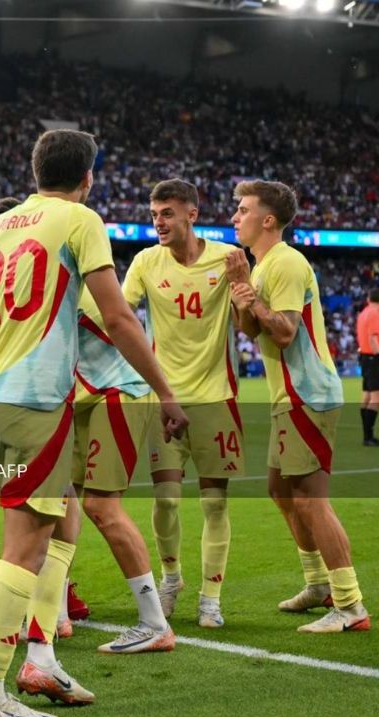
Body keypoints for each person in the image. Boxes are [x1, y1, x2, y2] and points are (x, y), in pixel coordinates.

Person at [0, 130, 187, 717]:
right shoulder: (80, 220)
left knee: (59, 521)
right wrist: (165, 391)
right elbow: (119, 317)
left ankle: (43, 659)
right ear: (89, 177)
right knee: (24, 549)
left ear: (34, 170)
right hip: (38, 404)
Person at [228, 180, 370, 633]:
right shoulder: (263, 265)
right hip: (287, 396)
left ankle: (350, 605)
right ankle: (319, 585)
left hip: (307, 394)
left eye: (243, 210)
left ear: (267, 220)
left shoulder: (287, 263)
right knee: (281, 490)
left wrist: (248, 293)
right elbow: (251, 330)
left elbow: (284, 331)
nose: (235, 217)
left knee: (310, 500)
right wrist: (240, 289)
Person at [122, 178, 241, 629]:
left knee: (214, 504)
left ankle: (211, 597)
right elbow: (117, 311)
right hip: (161, 399)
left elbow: (247, 321)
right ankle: (171, 579)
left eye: (167, 213)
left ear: (192, 213)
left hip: (217, 399)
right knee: (167, 498)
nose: (159, 222)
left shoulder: (227, 259)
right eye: (154, 214)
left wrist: (245, 286)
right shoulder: (145, 262)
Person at [72, 288, 175, 654]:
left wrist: (167, 395)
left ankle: (154, 623)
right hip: (79, 400)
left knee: (101, 507)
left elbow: (122, 322)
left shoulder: (71, 285)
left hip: (115, 391)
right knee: (55, 501)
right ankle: (51, 607)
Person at [356, 288, 379, 446]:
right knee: (376, 397)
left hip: (363, 356)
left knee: (366, 395)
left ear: (369, 298)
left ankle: (366, 435)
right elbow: (373, 336)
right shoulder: (376, 313)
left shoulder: (363, 313)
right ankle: (368, 437)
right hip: (373, 357)